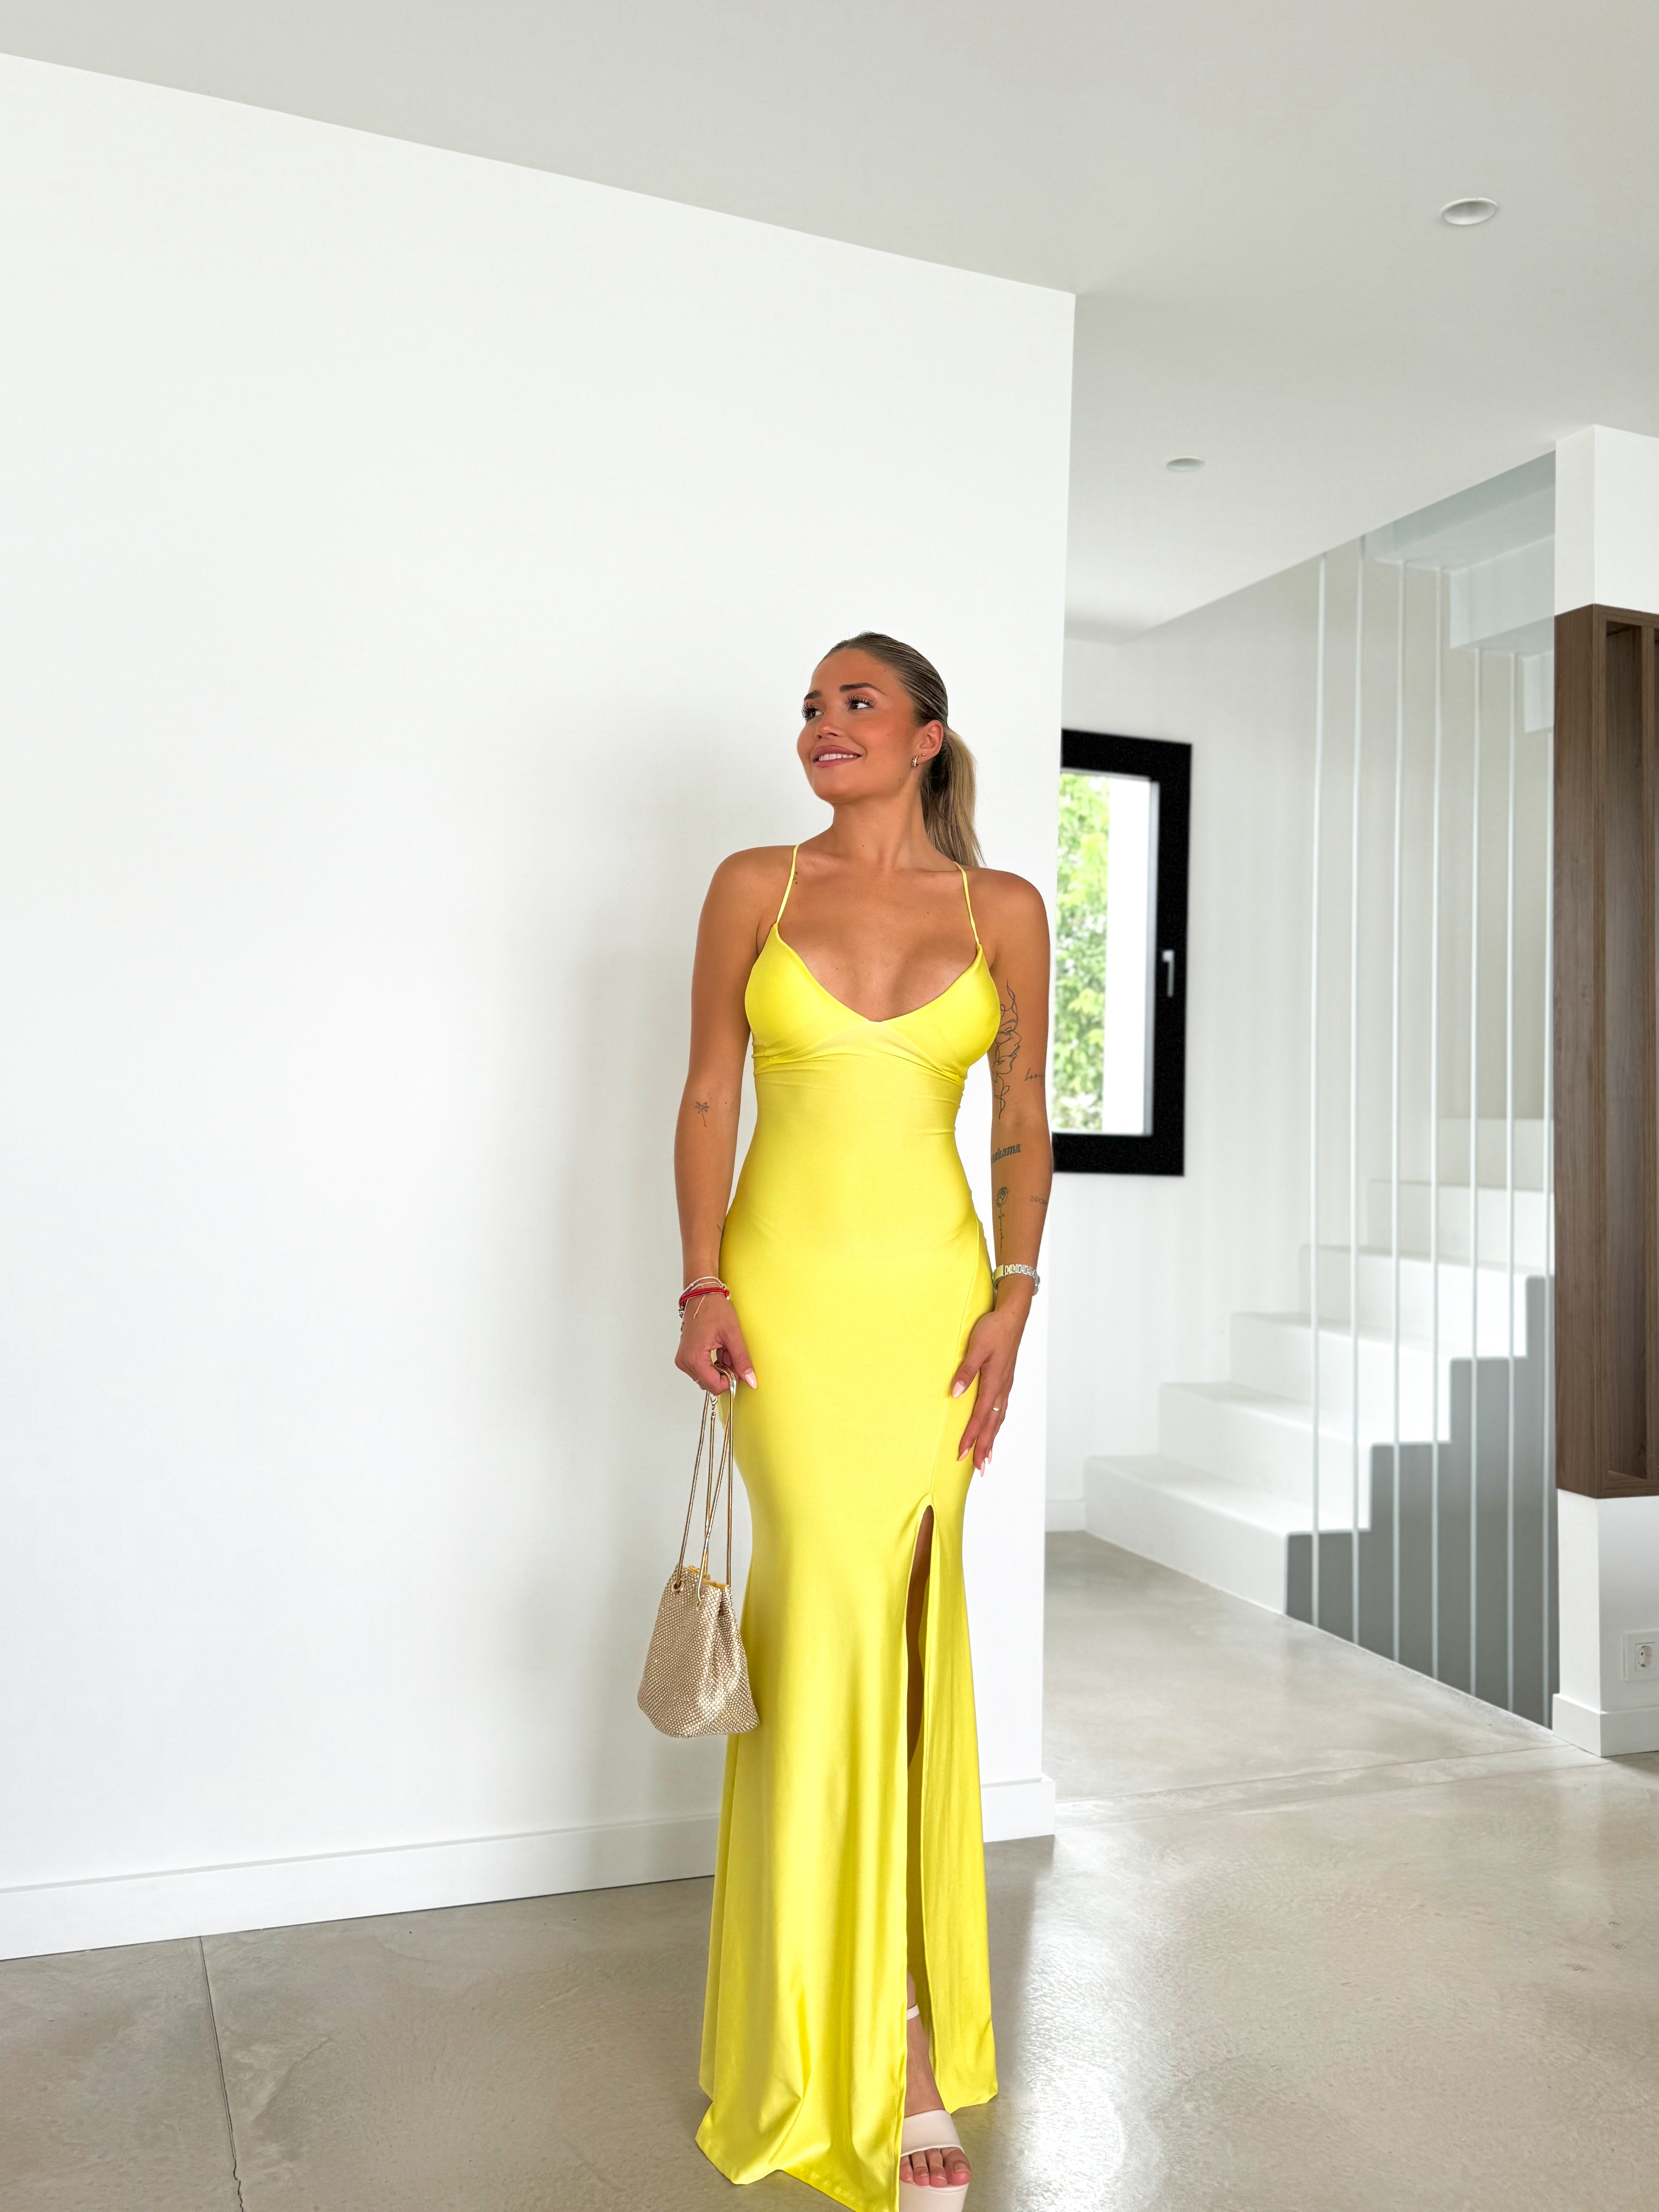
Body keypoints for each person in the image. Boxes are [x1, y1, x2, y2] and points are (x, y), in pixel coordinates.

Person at [673, 632, 1052, 2210]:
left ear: (926, 736)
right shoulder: (752, 885)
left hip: (934, 1314)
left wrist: (1015, 1293)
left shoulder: (1003, 908)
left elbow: (1022, 1115)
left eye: (857, 703)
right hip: (789, 1307)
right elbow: (710, 1093)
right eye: (812, 708)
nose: (824, 725)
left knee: (904, 1643)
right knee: (822, 1632)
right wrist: (702, 1283)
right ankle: (840, 2029)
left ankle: (898, 2021)